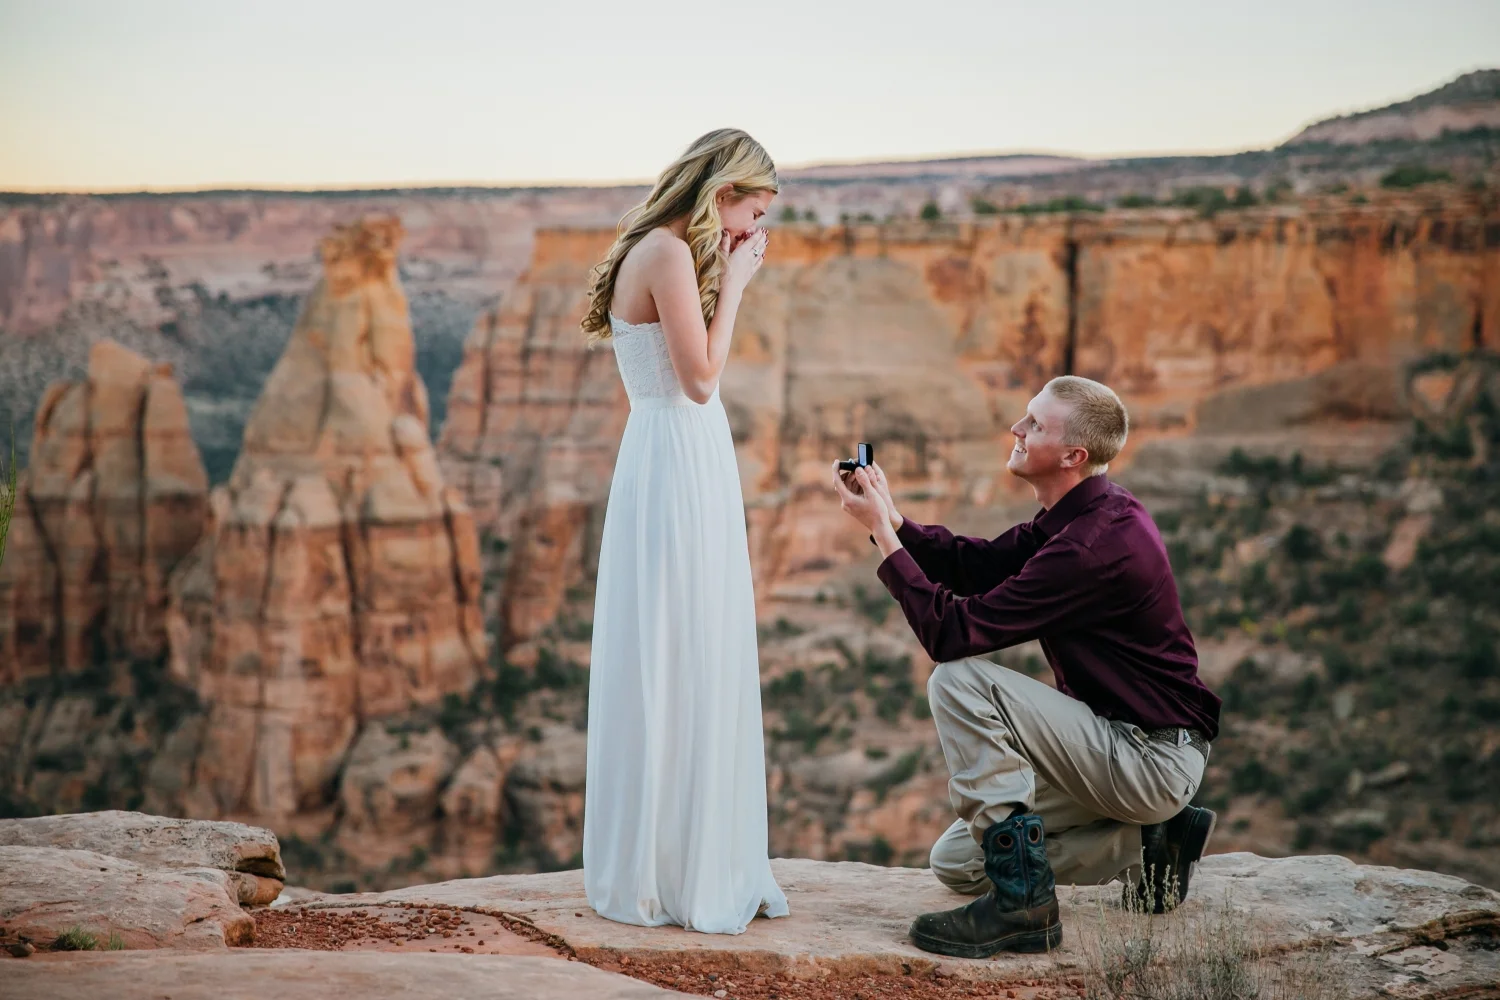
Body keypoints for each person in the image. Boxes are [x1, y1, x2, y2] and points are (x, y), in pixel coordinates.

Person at [831, 375, 1221, 958]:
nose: (1016, 428)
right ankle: (1151, 843)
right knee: (958, 862)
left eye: (1035, 424)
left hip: (1150, 756)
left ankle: (1024, 907)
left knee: (960, 678)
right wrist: (896, 520)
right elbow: (979, 564)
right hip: (1118, 745)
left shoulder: (1093, 545)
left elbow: (952, 634)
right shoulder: (1077, 515)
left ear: (1073, 455)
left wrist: (884, 539)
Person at [579, 128, 789, 934]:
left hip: (679, 454)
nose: (750, 232)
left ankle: (689, 856)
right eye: (751, 212)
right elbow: (700, 381)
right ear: (722, 189)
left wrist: (727, 271)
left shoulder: (664, 249)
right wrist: (734, 283)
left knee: (695, 646)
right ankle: (678, 873)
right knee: (678, 648)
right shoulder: (669, 254)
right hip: (674, 451)